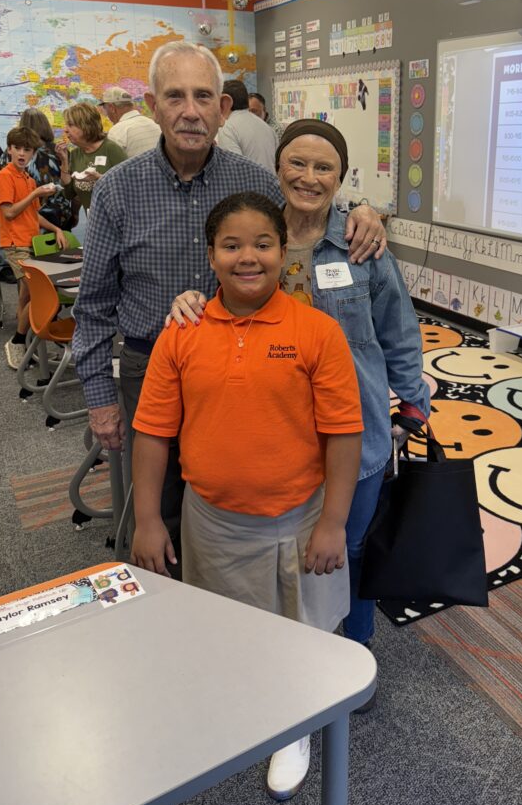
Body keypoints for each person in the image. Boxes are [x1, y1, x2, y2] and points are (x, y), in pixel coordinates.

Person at [71, 40, 382, 557]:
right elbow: (94, 303)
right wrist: (100, 398)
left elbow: (315, 204)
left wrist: (364, 211)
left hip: (248, 363)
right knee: (156, 513)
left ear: (222, 109)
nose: (189, 111)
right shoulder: (118, 190)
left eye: (202, 97)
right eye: (175, 97)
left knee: (241, 499)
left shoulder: (256, 183)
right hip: (151, 362)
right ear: (153, 106)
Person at [169, 118, 429, 713]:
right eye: (298, 164)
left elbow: (398, 330)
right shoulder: (253, 231)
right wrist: (185, 300)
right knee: (276, 550)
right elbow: (215, 291)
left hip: (353, 430)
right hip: (268, 429)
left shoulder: (363, 242)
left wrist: (413, 399)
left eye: (325, 168)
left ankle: (354, 648)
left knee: (350, 544)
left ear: (341, 178)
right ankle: (277, 653)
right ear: (278, 167)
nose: (309, 178)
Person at [132, 192, 363, 802]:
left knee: (303, 627)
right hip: (213, 520)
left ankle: (295, 724)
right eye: (231, 245)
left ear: (283, 251)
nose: (247, 257)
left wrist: (334, 523)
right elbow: (153, 430)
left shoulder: (317, 331)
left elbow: (344, 432)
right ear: (210, 256)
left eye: (262, 243)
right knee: (225, 630)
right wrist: (149, 516)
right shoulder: (181, 334)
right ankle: (242, 708)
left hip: (301, 515)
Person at [0, 125, 69, 368]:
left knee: (27, 295)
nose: (22, 153)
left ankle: (28, 343)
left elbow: (33, 215)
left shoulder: (26, 177)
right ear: (9, 149)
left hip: (30, 242)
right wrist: (36, 193)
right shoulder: (6, 176)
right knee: (40, 294)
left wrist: (56, 228)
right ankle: (16, 342)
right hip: (16, 245)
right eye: (17, 148)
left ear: (34, 153)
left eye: (28, 150)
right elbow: (9, 212)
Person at [0, 109, 72, 231]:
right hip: (57, 215)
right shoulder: (58, 151)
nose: (23, 153)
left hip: (22, 217)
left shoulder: (9, 153)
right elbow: (69, 184)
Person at [56, 101, 127, 216]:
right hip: (94, 224)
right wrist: (64, 161)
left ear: (85, 125)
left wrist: (100, 178)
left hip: (118, 221)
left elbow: (129, 187)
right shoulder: (75, 154)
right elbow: (68, 194)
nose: (65, 130)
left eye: (70, 125)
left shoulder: (111, 149)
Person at [217, 79, 277, 172]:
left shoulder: (227, 128)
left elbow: (233, 170)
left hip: (248, 185)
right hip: (271, 184)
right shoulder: (267, 128)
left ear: (225, 102)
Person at [99, 86, 160, 157]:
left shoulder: (117, 131)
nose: (106, 113)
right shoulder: (155, 124)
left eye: (104, 108)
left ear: (112, 108)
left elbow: (113, 164)